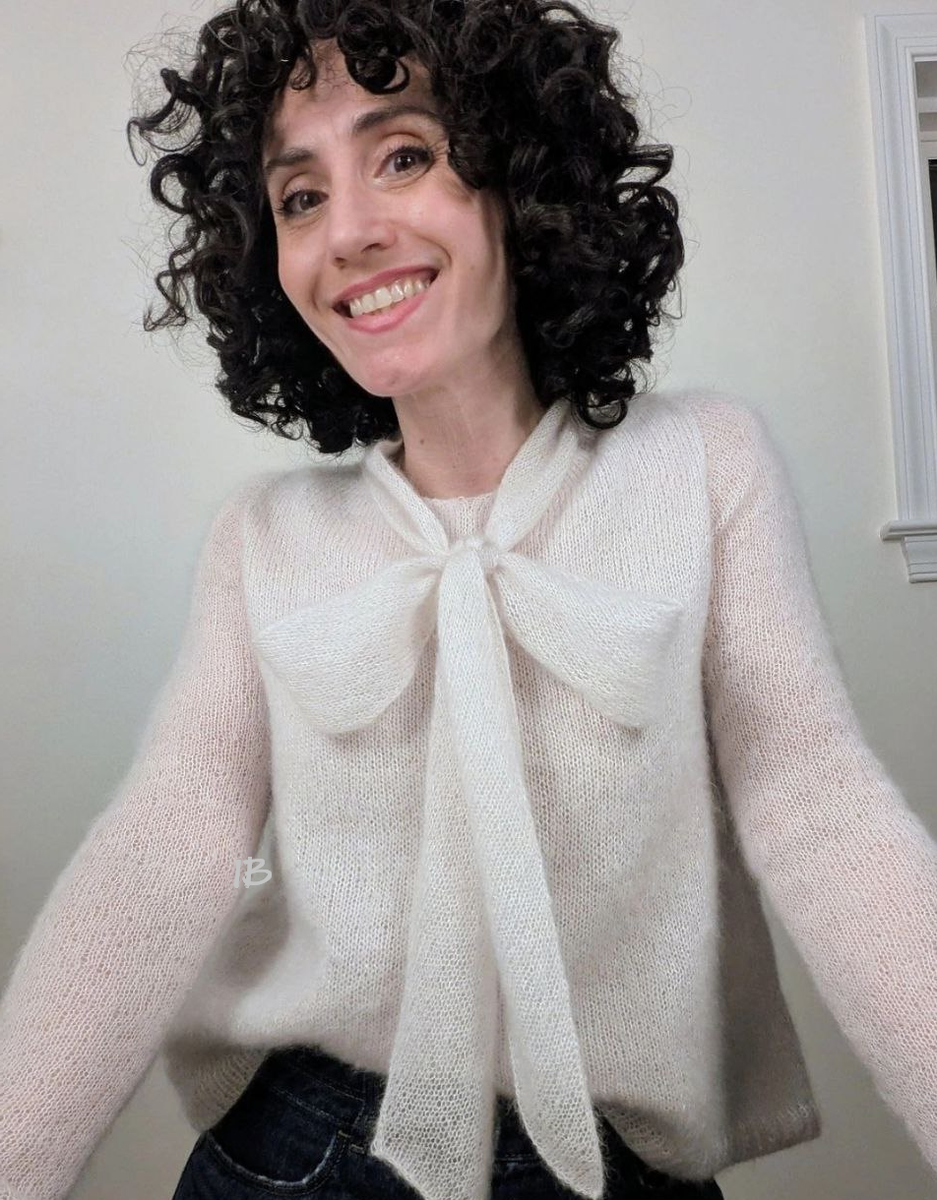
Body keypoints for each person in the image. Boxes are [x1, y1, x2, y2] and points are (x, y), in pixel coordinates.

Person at [1, 0, 936, 1198]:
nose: (349, 231)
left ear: (517, 182)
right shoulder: (264, 539)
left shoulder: (703, 467)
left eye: (402, 156)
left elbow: (821, 813)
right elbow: (159, 851)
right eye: (300, 197)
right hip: (295, 1152)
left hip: (615, 1163)